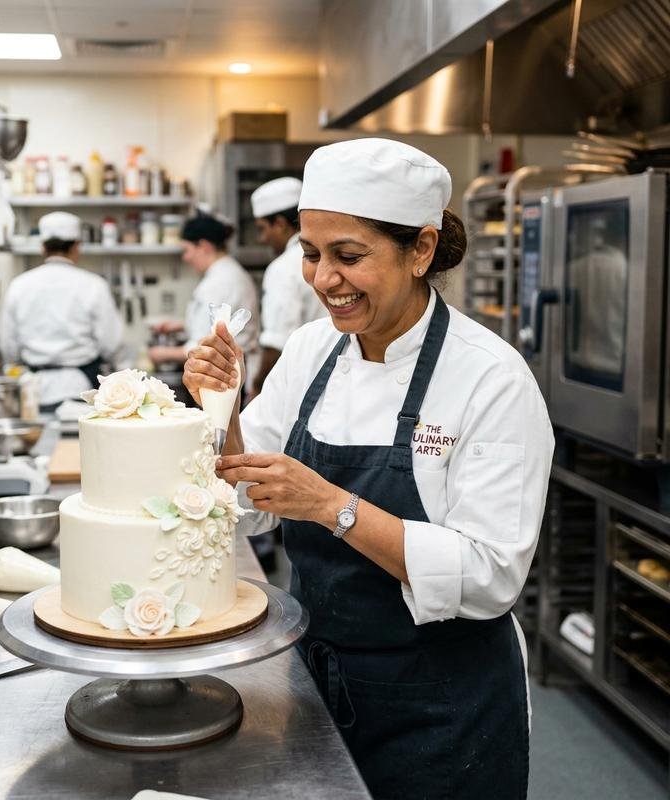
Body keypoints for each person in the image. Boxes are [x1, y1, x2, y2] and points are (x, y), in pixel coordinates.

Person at [183, 138, 554, 799]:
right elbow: (247, 498)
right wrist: (222, 407)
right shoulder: (313, 349)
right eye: (312, 254)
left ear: (420, 250)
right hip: (320, 677)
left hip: (442, 707)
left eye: (349, 256)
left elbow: (491, 575)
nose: (325, 278)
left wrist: (333, 506)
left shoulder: (489, 378)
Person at [0, 211, 123, 411]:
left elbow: (9, 348)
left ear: (42, 248)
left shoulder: (19, 285)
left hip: (32, 389)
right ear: (76, 247)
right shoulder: (94, 285)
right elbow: (110, 344)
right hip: (80, 387)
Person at [149, 212, 259, 389]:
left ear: (204, 246)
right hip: (228, 371)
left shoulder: (219, 282)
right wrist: (181, 325)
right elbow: (220, 325)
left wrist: (162, 353)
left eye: (187, 250)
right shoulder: (226, 273)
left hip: (226, 374)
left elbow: (202, 344)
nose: (185, 257)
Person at [250, 177, 326, 396]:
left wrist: (257, 387)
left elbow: (276, 341)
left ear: (281, 224)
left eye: (263, 228)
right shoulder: (328, 255)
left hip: (300, 382)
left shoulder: (283, 268)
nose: (262, 238)